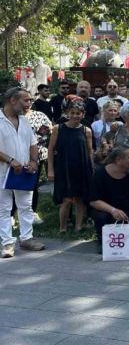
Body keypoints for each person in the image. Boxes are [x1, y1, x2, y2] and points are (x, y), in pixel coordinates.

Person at [0, 88, 44, 258]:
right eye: (26, 100)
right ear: (12, 100)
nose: (29, 104)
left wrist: (33, 161)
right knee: (4, 208)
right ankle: (7, 243)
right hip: (3, 171)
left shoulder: (24, 120)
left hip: (24, 171)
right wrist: (10, 160)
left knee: (26, 205)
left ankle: (26, 238)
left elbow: (33, 143)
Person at [89, 146, 129, 253]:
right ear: (119, 160)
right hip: (107, 211)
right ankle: (104, 240)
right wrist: (113, 210)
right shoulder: (100, 174)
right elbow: (94, 201)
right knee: (100, 217)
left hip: (127, 210)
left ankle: (128, 233)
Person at [47, 99, 93, 233]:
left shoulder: (86, 130)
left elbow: (90, 151)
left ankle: (78, 226)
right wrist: (50, 169)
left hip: (81, 167)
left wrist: (90, 169)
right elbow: (50, 149)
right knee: (66, 199)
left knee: (80, 199)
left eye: (78, 113)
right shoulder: (58, 128)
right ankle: (62, 227)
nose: (75, 116)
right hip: (63, 167)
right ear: (67, 113)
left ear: (83, 114)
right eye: (72, 113)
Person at [22, 92, 52, 223]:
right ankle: (11, 214)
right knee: (12, 185)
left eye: (30, 100)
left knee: (32, 185)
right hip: (15, 155)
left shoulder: (39, 115)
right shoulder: (11, 117)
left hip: (36, 155)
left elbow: (47, 132)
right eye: (25, 100)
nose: (28, 103)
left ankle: (32, 212)